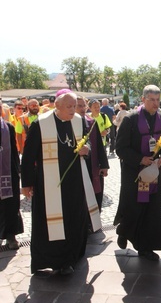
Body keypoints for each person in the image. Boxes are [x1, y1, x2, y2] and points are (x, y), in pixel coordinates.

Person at [21, 90, 101, 275]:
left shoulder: (79, 122)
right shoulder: (40, 125)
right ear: (56, 106)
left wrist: (86, 151)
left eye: (75, 106)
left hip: (74, 184)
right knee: (52, 223)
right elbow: (28, 157)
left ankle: (72, 257)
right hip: (48, 185)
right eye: (69, 106)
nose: (74, 110)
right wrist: (26, 183)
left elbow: (85, 151)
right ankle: (55, 260)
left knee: (74, 220)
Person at [114, 85, 161, 261]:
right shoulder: (130, 120)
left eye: (157, 100)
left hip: (153, 172)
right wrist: (140, 159)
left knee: (151, 210)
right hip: (134, 172)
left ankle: (145, 247)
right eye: (151, 100)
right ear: (143, 99)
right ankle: (124, 230)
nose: (155, 103)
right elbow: (120, 148)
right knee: (134, 208)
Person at [76, 96, 109, 212]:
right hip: (76, 166)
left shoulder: (91, 122)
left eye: (84, 105)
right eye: (79, 106)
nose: (82, 108)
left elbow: (100, 146)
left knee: (95, 191)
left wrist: (104, 165)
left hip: (92, 164)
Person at [0, 98, 23, 250]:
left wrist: (17, 173)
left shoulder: (8, 127)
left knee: (9, 205)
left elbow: (14, 153)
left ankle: (10, 235)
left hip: (7, 173)